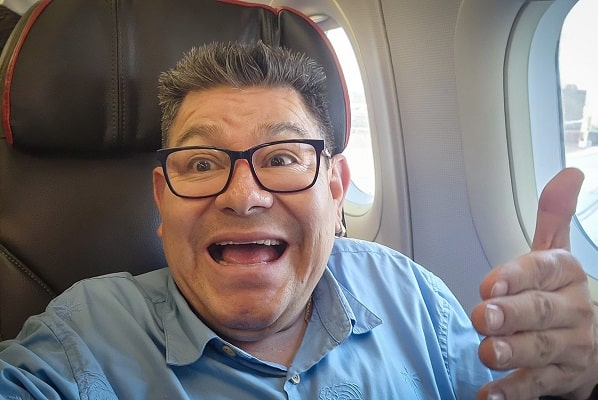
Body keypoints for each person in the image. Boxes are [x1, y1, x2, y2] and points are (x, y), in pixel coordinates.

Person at [0, 41, 596, 400]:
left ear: (335, 190)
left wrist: (575, 382)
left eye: (282, 158)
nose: (243, 197)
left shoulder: (411, 296)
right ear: (162, 200)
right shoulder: (84, 338)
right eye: (203, 163)